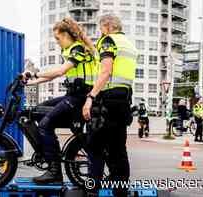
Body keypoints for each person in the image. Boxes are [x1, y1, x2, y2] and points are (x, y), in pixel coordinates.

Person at [23, 17, 97, 184]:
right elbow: (55, 74)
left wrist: (34, 73)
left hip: (79, 98)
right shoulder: (71, 50)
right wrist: (31, 82)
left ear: (66, 35)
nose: (57, 42)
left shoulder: (78, 49)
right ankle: (49, 153)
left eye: (58, 38)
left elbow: (60, 71)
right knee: (36, 111)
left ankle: (54, 171)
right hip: (71, 96)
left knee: (45, 124)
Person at [82, 14, 138, 196]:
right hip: (123, 101)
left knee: (94, 146)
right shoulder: (128, 44)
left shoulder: (108, 40)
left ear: (107, 26)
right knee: (118, 150)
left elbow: (106, 71)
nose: (100, 32)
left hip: (107, 100)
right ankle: (120, 192)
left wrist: (90, 97)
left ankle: (92, 191)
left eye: (101, 28)